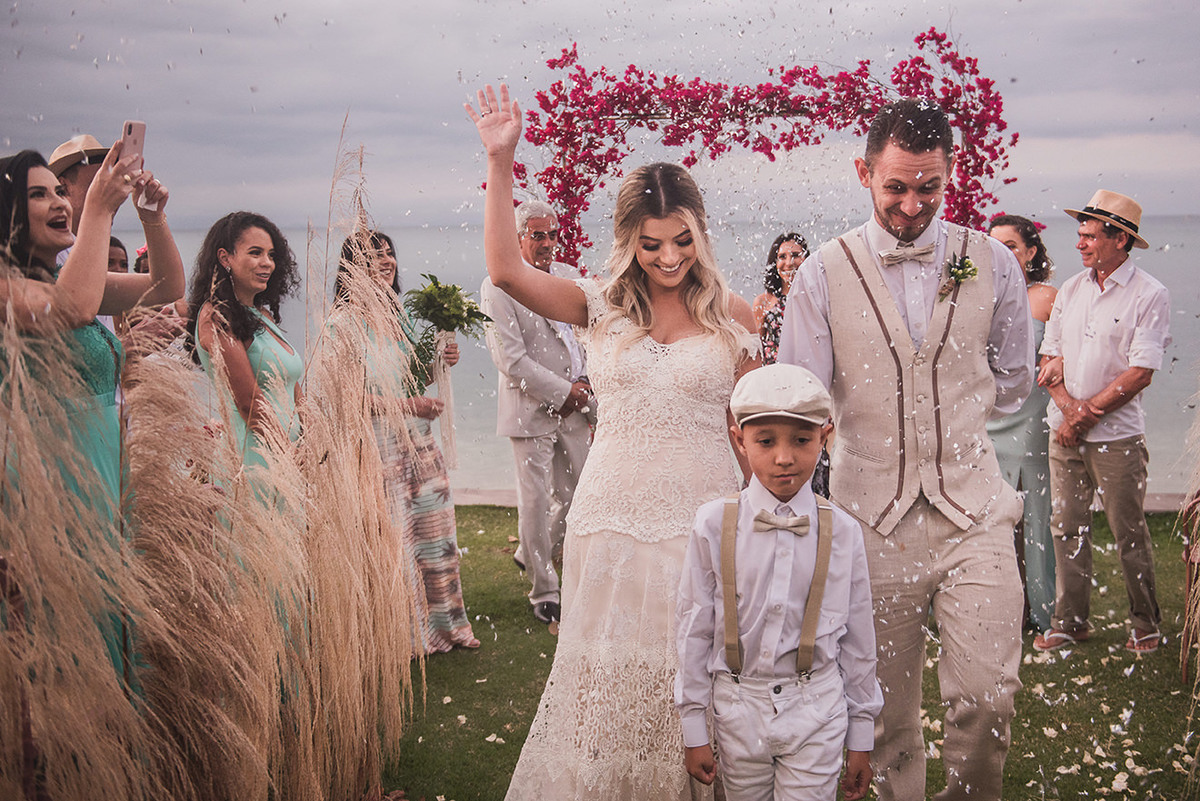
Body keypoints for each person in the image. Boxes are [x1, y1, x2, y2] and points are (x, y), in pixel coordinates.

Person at [467, 83, 760, 799]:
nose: (668, 258)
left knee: (694, 671)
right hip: (608, 519)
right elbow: (506, 271)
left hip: (703, 518)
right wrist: (501, 163)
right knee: (608, 675)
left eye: (682, 241)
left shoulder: (734, 314)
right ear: (627, 240)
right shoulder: (595, 302)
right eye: (651, 243)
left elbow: (752, 427)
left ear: (701, 232)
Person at [778, 97, 1034, 801]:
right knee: (884, 719)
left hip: (976, 515)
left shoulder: (993, 264)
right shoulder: (821, 273)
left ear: (950, 176)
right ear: (864, 174)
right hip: (868, 523)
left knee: (988, 698)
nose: (911, 204)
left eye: (929, 186)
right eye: (896, 186)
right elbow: (804, 399)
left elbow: (1013, 382)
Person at [0, 145, 165, 798]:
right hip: (42, 494)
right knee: (52, 667)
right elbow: (70, 311)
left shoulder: (68, 278)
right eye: (40, 193)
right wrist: (99, 204)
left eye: (60, 192)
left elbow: (168, 286)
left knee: (105, 651)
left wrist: (149, 217)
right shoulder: (8, 287)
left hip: (100, 485)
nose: (60, 200)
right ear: (10, 212)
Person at [675, 363, 881, 801]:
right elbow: (695, 626)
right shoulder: (713, 523)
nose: (784, 457)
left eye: (802, 441)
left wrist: (861, 734)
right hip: (737, 706)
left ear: (824, 437)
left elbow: (859, 638)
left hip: (817, 707)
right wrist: (694, 723)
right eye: (765, 441)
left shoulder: (843, 531)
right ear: (739, 440)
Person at [1034, 190, 1171, 656]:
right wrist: (1067, 410)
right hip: (1064, 431)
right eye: (1080, 234)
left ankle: (1146, 624)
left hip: (1117, 438)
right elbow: (1049, 357)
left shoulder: (1150, 294)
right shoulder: (1070, 290)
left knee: (1128, 531)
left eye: (1089, 235)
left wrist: (1084, 413)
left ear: (1120, 240)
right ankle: (1070, 622)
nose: (1080, 244)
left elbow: (1141, 371)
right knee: (1066, 530)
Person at [335, 229, 480, 652]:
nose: (386, 261)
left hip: (419, 446)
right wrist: (406, 407)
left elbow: (414, 379)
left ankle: (449, 626)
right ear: (352, 267)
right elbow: (344, 398)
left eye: (389, 254)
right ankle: (408, 638)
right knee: (396, 544)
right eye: (373, 255)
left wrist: (441, 361)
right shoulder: (342, 324)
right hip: (378, 451)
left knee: (435, 537)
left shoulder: (401, 315)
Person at [480, 200, 592, 626]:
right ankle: (545, 589)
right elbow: (511, 360)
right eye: (537, 235)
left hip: (577, 409)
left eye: (552, 235)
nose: (547, 244)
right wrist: (567, 393)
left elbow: (580, 339)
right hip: (530, 410)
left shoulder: (565, 277)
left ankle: (530, 552)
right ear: (519, 238)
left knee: (579, 494)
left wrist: (588, 391)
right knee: (534, 502)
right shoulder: (496, 285)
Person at [186, 211, 303, 469]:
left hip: (290, 458)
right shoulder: (216, 316)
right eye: (255, 252)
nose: (267, 263)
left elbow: (292, 386)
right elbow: (248, 403)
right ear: (225, 258)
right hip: (256, 460)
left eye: (271, 255)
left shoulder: (262, 315)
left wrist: (314, 443)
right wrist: (289, 457)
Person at [986, 214, 1058, 634]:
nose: (1003, 253)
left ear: (1030, 253)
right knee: (990, 520)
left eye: (1011, 245)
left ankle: (1042, 608)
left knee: (1036, 517)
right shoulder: (980, 293)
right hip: (986, 422)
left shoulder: (1047, 297)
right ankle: (997, 607)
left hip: (1031, 421)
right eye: (995, 244)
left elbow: (1065, 349)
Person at [752, 232, 808, 365]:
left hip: (807, 376)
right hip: (773, 377)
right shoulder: (763, 302)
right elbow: (754, 350)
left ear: (806, 259)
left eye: (795, 255)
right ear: (774, 262)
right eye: (782, 257)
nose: (789, 263)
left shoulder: (814, 299)